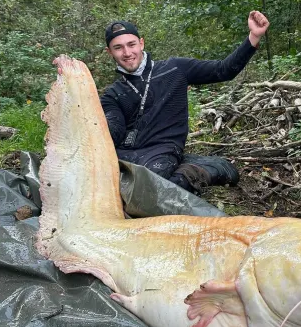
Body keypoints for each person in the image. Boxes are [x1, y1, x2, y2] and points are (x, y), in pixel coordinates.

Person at [100, 11, 270, 194]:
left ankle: (196, 172)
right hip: (127, 154)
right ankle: (186, 166)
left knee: (150, 189)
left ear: (141, 43)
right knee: (105, 182)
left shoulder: (175, 69)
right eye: (118, 48)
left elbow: (223, 70)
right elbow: (113, 132)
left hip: (162, 150)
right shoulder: (112, 94)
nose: (127, 53)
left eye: (131, 44)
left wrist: (254, 36)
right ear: (109, 52)